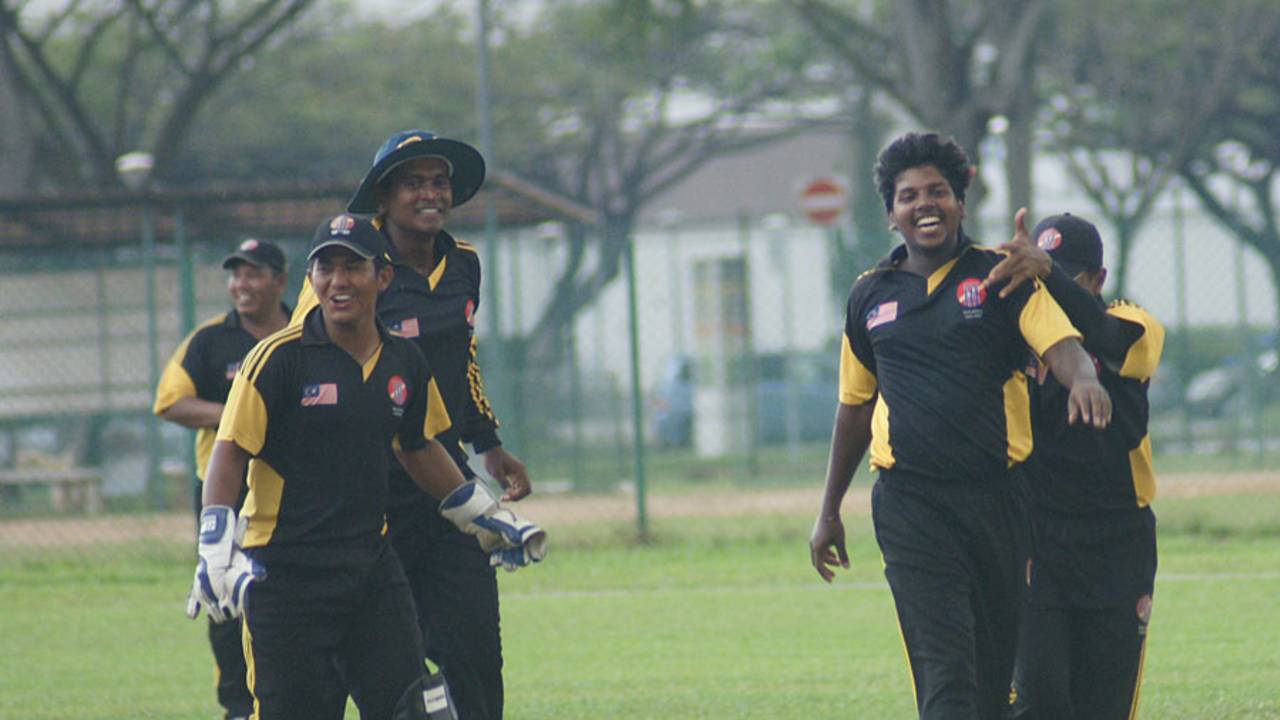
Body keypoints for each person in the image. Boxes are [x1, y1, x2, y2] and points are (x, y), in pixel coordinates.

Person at [186, 214, 544, 720]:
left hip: (371, 568)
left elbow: (418, 446)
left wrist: (478, 512)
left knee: (417, 710)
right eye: (325, 268)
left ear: (383, 278)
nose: (338, 281)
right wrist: (215, 541)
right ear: (311, 280)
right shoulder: (276, 359)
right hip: (286, 574)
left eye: (353, 267)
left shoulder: (405, 361)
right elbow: (230, 449)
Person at [808, 132, 1112, 720]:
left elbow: (1060, 345)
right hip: (911, 504)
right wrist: (828, 511)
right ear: (891, 213)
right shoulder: (869, 296)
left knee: (992, 685)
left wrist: (1085, 381)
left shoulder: (1003, 276)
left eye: (939, 191)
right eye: (909, 195)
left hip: (1000, 500)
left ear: (961, 203)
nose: (925, 203)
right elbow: (854, 407)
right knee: (946, 675)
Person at [295, 129, 530, 719]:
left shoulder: (464, 265)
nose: (429, 193)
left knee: (474, 644)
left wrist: (489, 443)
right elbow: (302, 358)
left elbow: (462, 360)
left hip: (447, 479)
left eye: (439, 182)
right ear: (383, 197)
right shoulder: (351, 271)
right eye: (412, 183)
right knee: (385, 657)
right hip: (370, 489)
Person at [984, 212, 1164, 720]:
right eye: (1037, 276)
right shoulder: (1021, 335)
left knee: (1103, 705)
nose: (1045, 288)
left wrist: (1050, 278)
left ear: (1097, 280)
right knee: (1038, 696)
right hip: (1039, 538)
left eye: (1062, 275)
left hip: (1119, 539)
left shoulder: (1134, 324)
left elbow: (1104, 333)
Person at [153, 237, 290, 720]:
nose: (241, 284)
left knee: (300, 593)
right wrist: (239, 413)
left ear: (281, 280)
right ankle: (239, 705)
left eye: (253, 273)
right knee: (226, 595)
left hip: (295, 489)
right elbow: (170, 401)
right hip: (226, 492)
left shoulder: (307, 330)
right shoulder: (210, 340)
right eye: (235, 275)